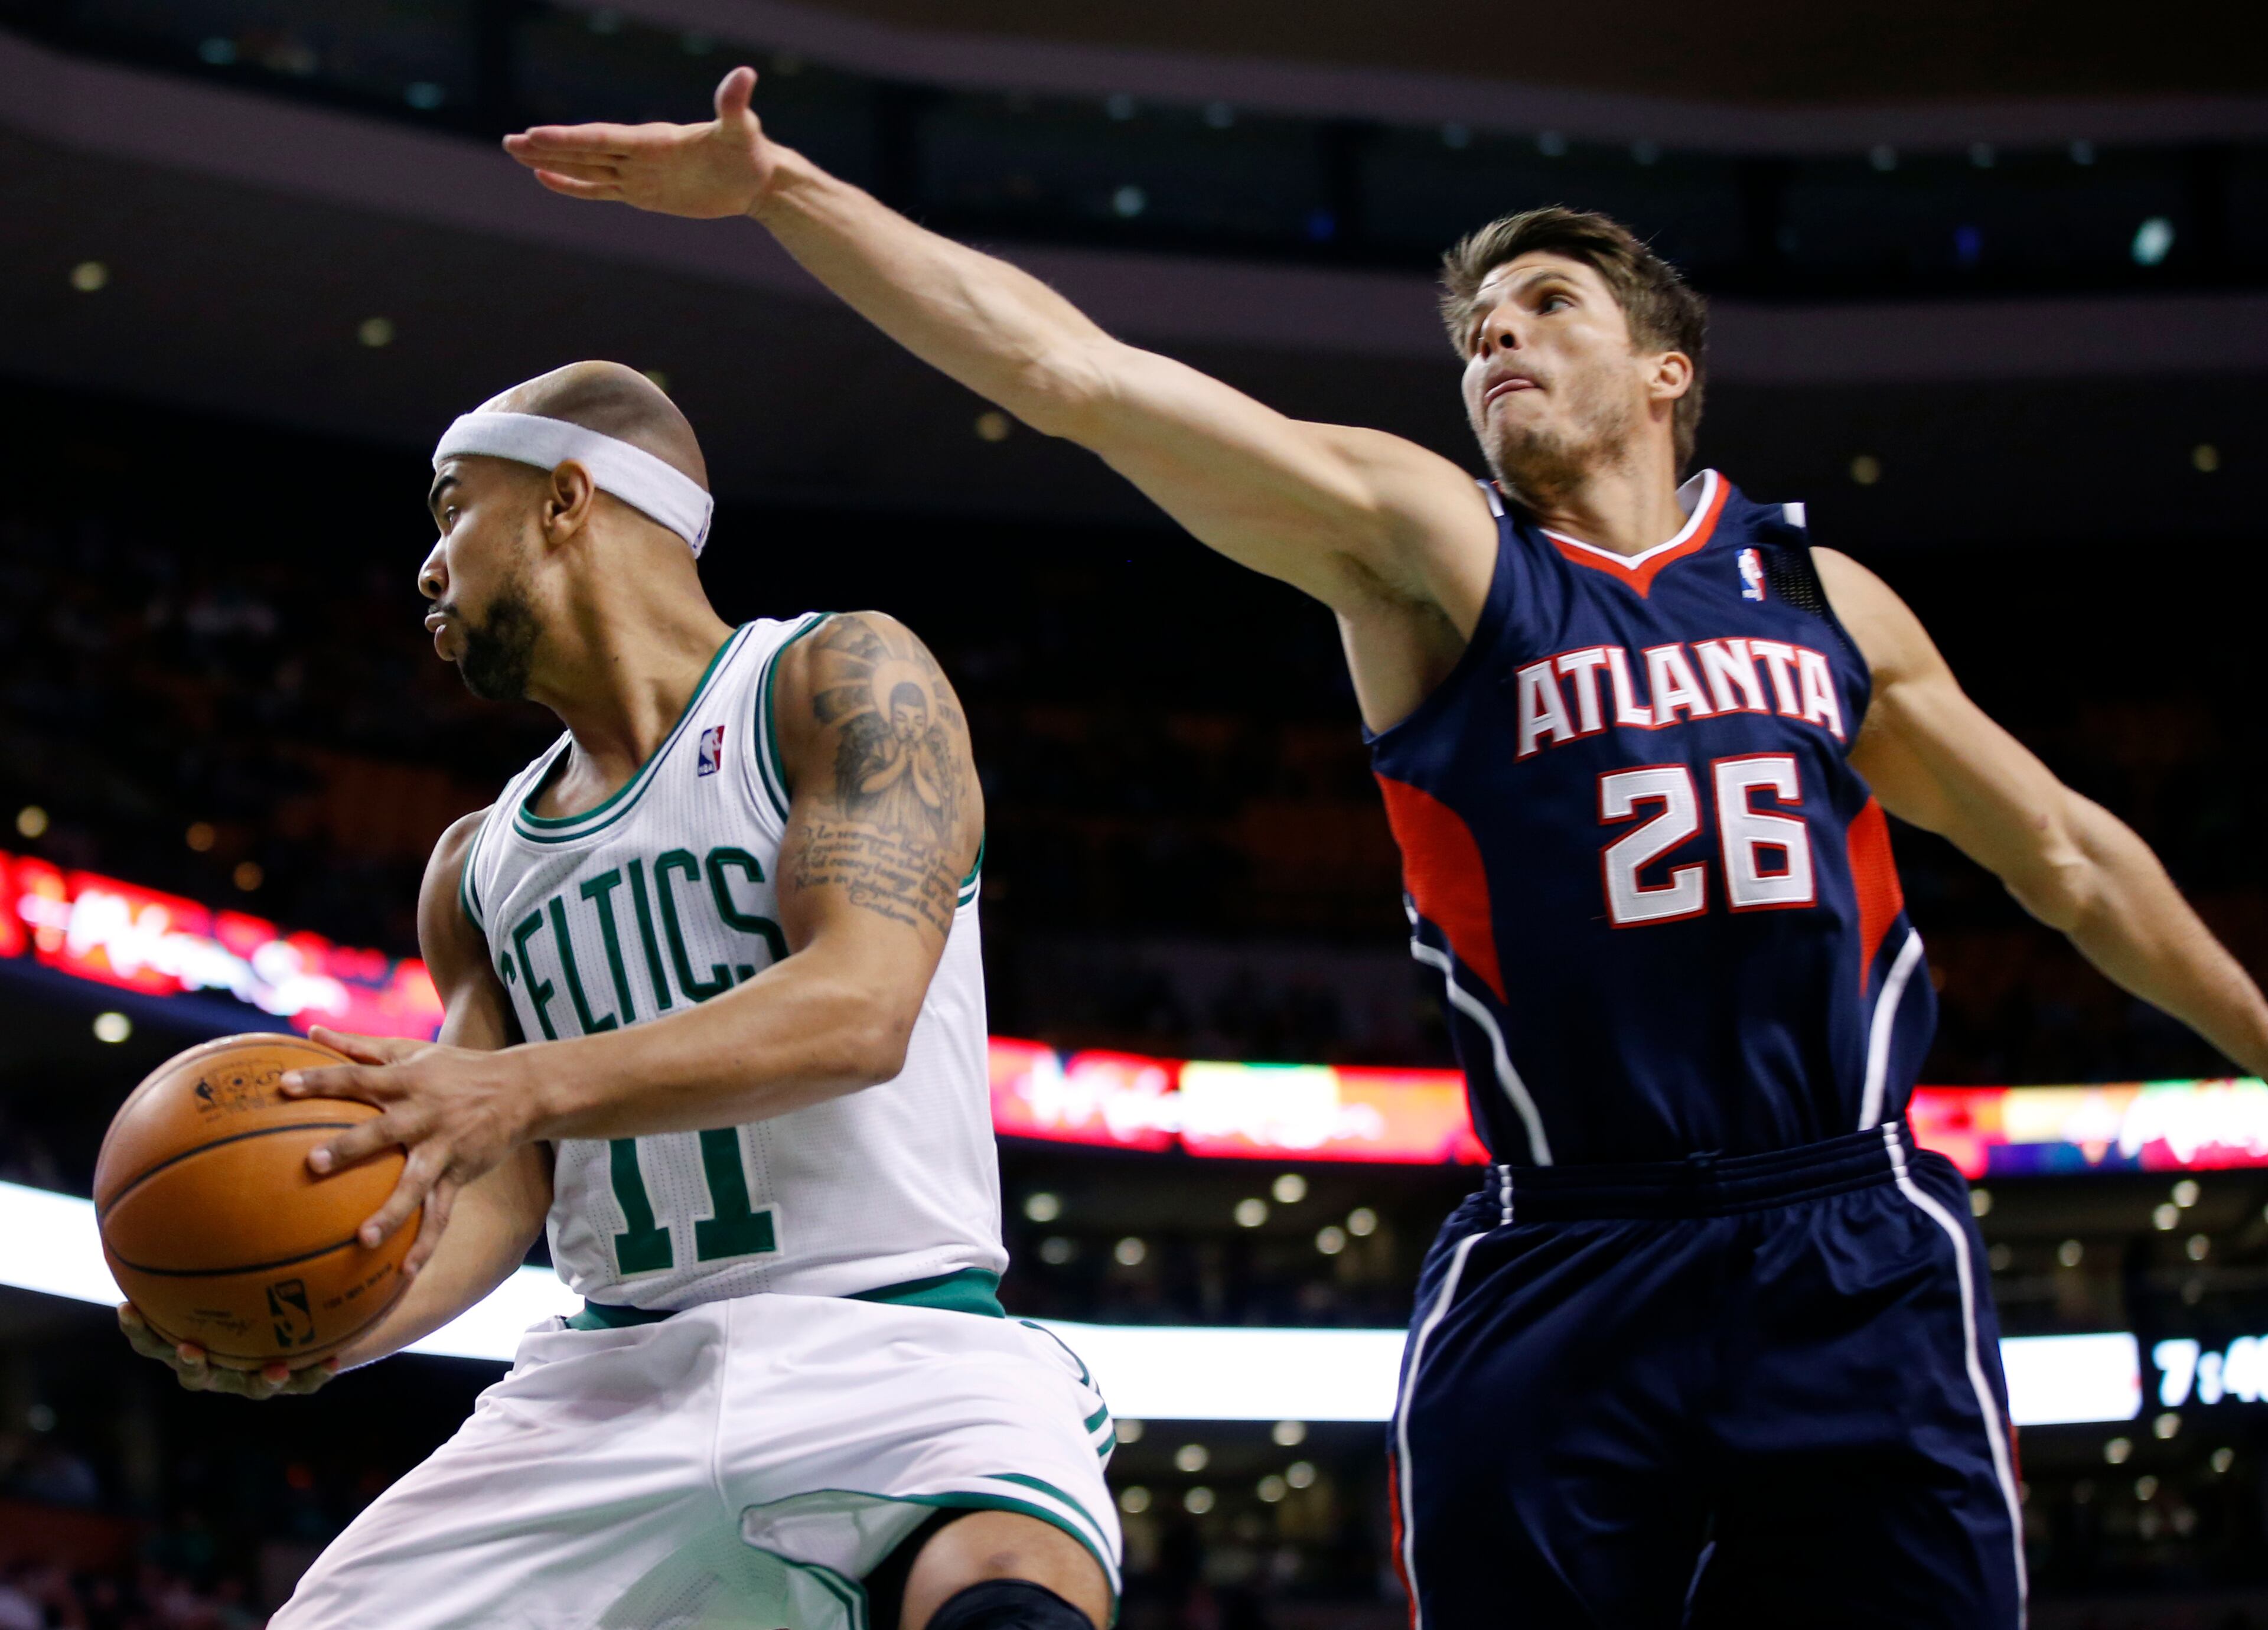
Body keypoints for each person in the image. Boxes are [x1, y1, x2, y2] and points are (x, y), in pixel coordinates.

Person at [500, 70, 2268, 1628]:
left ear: (1668, 370)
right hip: (1566, 1250)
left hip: (1853, 1239)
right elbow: (1074, 378)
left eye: (1546, 305)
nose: (1496, 337)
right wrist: (785, 191)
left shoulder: (1818, 595)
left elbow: (2067, 854)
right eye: (1477, 322)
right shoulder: (1441, 553)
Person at [118, 360, 1119, 1630]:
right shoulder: (474, 867)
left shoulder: (834, 681)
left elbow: (858, 1011)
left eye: (448, 509)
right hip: (601, 1380)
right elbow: (501, 1176)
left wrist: (515, 1086)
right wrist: (320, 1327)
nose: (426, 568)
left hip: (895, 1338)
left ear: (566, 497)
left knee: (1007, 1591)